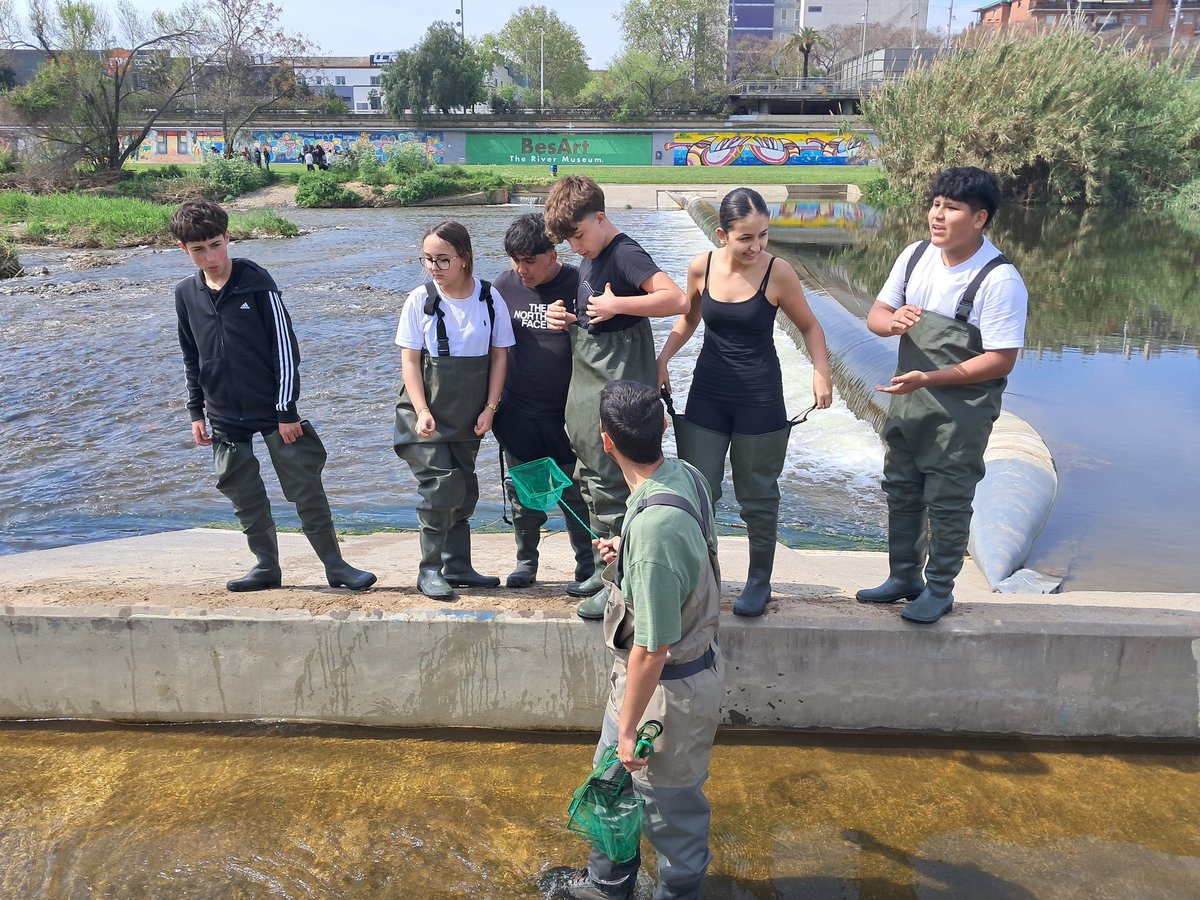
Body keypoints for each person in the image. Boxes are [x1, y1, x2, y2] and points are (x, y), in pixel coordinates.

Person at [540, 381, 723, 900]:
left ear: (606, 441)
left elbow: (651, 649)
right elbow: (686, 558)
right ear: (663, 427)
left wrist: (626, 733)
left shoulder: (656, 534)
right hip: (661, 680)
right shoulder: (684, 476)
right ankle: (605, 886)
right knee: (612, 787)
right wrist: (628, 549)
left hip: (667, 692)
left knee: (672, 813)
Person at [171, 200, 376, 593]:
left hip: (274, 410)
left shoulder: (256, 282)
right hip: (223, 414)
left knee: (306, 488)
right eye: (199, 250)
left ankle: (336, 566)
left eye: (216, 244)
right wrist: (196, 411)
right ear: (184, 250)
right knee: (243, 494)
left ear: (228, 237)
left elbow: (285, 348)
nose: (211, 257)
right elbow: (191, 355)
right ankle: (266, 567)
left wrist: (286, 410)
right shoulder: (186, 293)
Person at [856, 167, 1028, 624]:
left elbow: (1001, 359)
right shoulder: (915, 256)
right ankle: (903, 577)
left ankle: (940, 589)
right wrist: (889, 323)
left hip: (961, 411)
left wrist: (931, 378)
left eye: (951, 208)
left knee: (949, 498)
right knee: (901, 488)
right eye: (935, 203)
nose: (937, 215)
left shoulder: (999, 280)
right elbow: (876, 312)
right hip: (908, 401)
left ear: (979, 219)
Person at [656, 188, 833, 618]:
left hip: (760, 397)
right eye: (746, 238)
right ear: (722, 234)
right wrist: (661, 359)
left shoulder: (779, 273)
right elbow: (689, 318)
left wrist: (820, 371)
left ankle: (759, 582)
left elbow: (810, 327)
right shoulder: (702, 266)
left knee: (758, 494)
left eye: (764, 236)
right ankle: (699, 577)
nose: (757, 247)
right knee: (699, 489)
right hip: (707, 395)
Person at [543, 175, 688, 620]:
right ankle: (605, 568)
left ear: (600, 218)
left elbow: (676, 299)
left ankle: (619, 581)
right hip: (590, 374)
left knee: (613, 475)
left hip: (619, 374)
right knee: (591, 474)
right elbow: (595, 312)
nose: (574, 249)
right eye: (567, 241)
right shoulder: (592, 255)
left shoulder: (624, 251)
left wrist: (617, 306)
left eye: (579, 236)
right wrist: (568, 317)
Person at [394, 221, 516, 599]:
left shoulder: (489, 298)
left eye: (443, 260)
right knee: (440, 488)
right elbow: (410, 362)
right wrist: (421, 410)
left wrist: (491, 407)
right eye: (427, 259)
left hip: (469, 414)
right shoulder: (420, 300)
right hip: (424, 414)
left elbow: (499, 356)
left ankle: (459, 566)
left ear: (464, 258)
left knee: (464, 489)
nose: (434, 267)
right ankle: (429, 569)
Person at [491, 213, 596, 592]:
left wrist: (575, 322)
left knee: (576, 494)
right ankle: (526, 561)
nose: (521, 269)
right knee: (524, 494)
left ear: (553, 252)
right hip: (519, 411)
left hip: (568, 414)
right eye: (515, 260)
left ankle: (586, 564)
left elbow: (606, 338)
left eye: (529, 260)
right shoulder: (504, 285)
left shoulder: (582, 281)